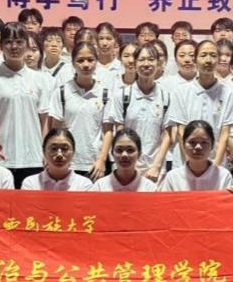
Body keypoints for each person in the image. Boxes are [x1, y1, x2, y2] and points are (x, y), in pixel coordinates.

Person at [0, 21, 51, 188]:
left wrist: (45, 151)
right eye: (8, 42)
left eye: (19, 42)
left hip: (33, 157)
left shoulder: (39, 79)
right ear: (1, 45)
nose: (14, 46)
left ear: (27, 45)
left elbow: (44, 120)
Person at [106, 43, 172, 182]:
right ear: (135, 64)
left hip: (155, 169)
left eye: (151, 59)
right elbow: (120, 132)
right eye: (141, 60)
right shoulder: (122, 95)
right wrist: (132, 166)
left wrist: (156, 166)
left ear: (158, 63)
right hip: (126, 165)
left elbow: (168, 134)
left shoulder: (166, 96)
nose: (146, 64)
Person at [168, 39, 233, 168]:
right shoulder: (181, 92)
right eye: (203, 55)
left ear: (218, 60)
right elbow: (181, 130)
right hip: (185, 162)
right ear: (195, 60)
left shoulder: (228, 93)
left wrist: (215, 165)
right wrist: (191, 163)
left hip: (215, 162)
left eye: (213, 55)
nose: (208, 60)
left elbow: (225, 133)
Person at [48, 41, 113, 180]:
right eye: (80, 60)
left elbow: (108, 130)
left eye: (90, 60)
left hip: (95, 165)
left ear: (96, 62)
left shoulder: (105, 93)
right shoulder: (61, 92)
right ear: (73, 63)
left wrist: (101, 160)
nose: (86, 64)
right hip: (67, 163)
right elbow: (55, 130)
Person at [158, 120, 233, 191]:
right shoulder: (173, 177)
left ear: (212, 145)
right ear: (183, 144)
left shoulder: (223, 176)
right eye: (192, 142)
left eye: (204, 142)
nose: (198, 147)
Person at [21, 128, 94, 191]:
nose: (59, 154)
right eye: (54, 149)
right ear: (44, 152)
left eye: (65, 149)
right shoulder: (31, 183)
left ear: (73, 152)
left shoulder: (84, 185)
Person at [91, 129, 157, 192]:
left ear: (139, 154)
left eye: (130, 150)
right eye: (119, 150)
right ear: (112, 153)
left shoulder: (149, 188)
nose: (124, 155)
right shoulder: (100, 186)